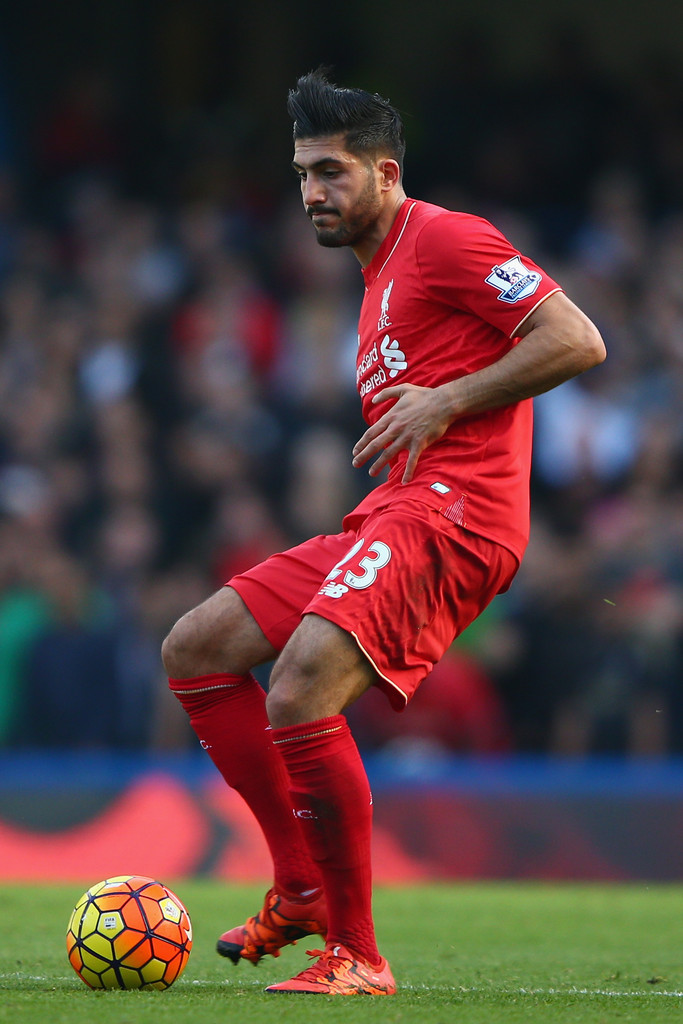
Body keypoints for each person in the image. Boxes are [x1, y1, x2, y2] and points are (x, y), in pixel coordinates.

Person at [161, 68, 606, 995]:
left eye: (330, 171)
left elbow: (576, 338)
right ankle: (298, 886)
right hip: (396, 513)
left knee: (299, 688)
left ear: (385, 172)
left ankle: (357, 953)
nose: (311, 193)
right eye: (301, 174)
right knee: (197, 648)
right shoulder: (375, 280)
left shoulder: (442, 238)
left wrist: (446, 400)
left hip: (457, 518)